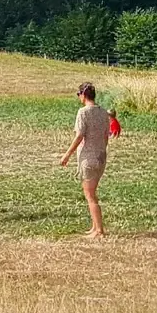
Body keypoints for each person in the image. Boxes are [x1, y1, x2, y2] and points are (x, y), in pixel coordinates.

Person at [58, 83, 110, 238]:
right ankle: (95, 227)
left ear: (83, 95)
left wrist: (66, 154)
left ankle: (99, 230)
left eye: (78, 94)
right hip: (100, 156)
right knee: (92, 193)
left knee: (90, 195)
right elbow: (105, 136)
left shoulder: (83, 112)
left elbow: (79, 135)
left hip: (88, 158)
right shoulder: (103, 112)